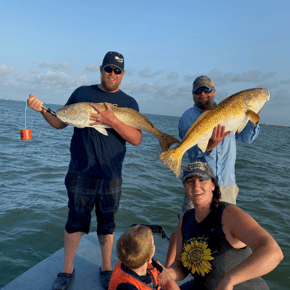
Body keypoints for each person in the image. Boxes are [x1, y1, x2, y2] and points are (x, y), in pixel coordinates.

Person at [27, 51, 142, 290]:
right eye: (108, 69)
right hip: (80, 170)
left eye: (117, 70)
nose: (112, 74)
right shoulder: (82, 93)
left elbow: (136, 138)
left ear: (123, 74)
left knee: (107, 223)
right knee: (75, 220)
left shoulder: (129, 103)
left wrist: (112, 121)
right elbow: (60, 121)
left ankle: (106, 268)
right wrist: (41, 110)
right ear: (101, 69)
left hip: (111, 174)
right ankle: (66, 271)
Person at [164, 75, 262, 267]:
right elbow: (191, 149)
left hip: (226, 182)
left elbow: (246, 138)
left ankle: (219, 267)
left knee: (228, 228)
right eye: (198, 90)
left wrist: (254, 118)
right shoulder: (187, 117)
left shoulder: (232, 110)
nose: (203, 94)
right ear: (193, 95)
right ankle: (170, 269)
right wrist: (210, 145)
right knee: (186, 224)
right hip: (199, 183)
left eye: (207, 90)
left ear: (214, 91)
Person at [166, 161, 283, 290]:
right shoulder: (185, 219)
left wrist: (230, 279)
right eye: (189, 181)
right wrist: (165, 273)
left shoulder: (228, 214)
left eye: (202, 180)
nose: (196, 186)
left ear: (213, 185)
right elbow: (181, 266)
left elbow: (274, 252)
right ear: (184, 187)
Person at [109, 225, 180, 290]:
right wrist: (167, 280)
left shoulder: (131, 259)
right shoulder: (127, 287)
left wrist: (166, 278)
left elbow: (165, 278)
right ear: (149, 257)